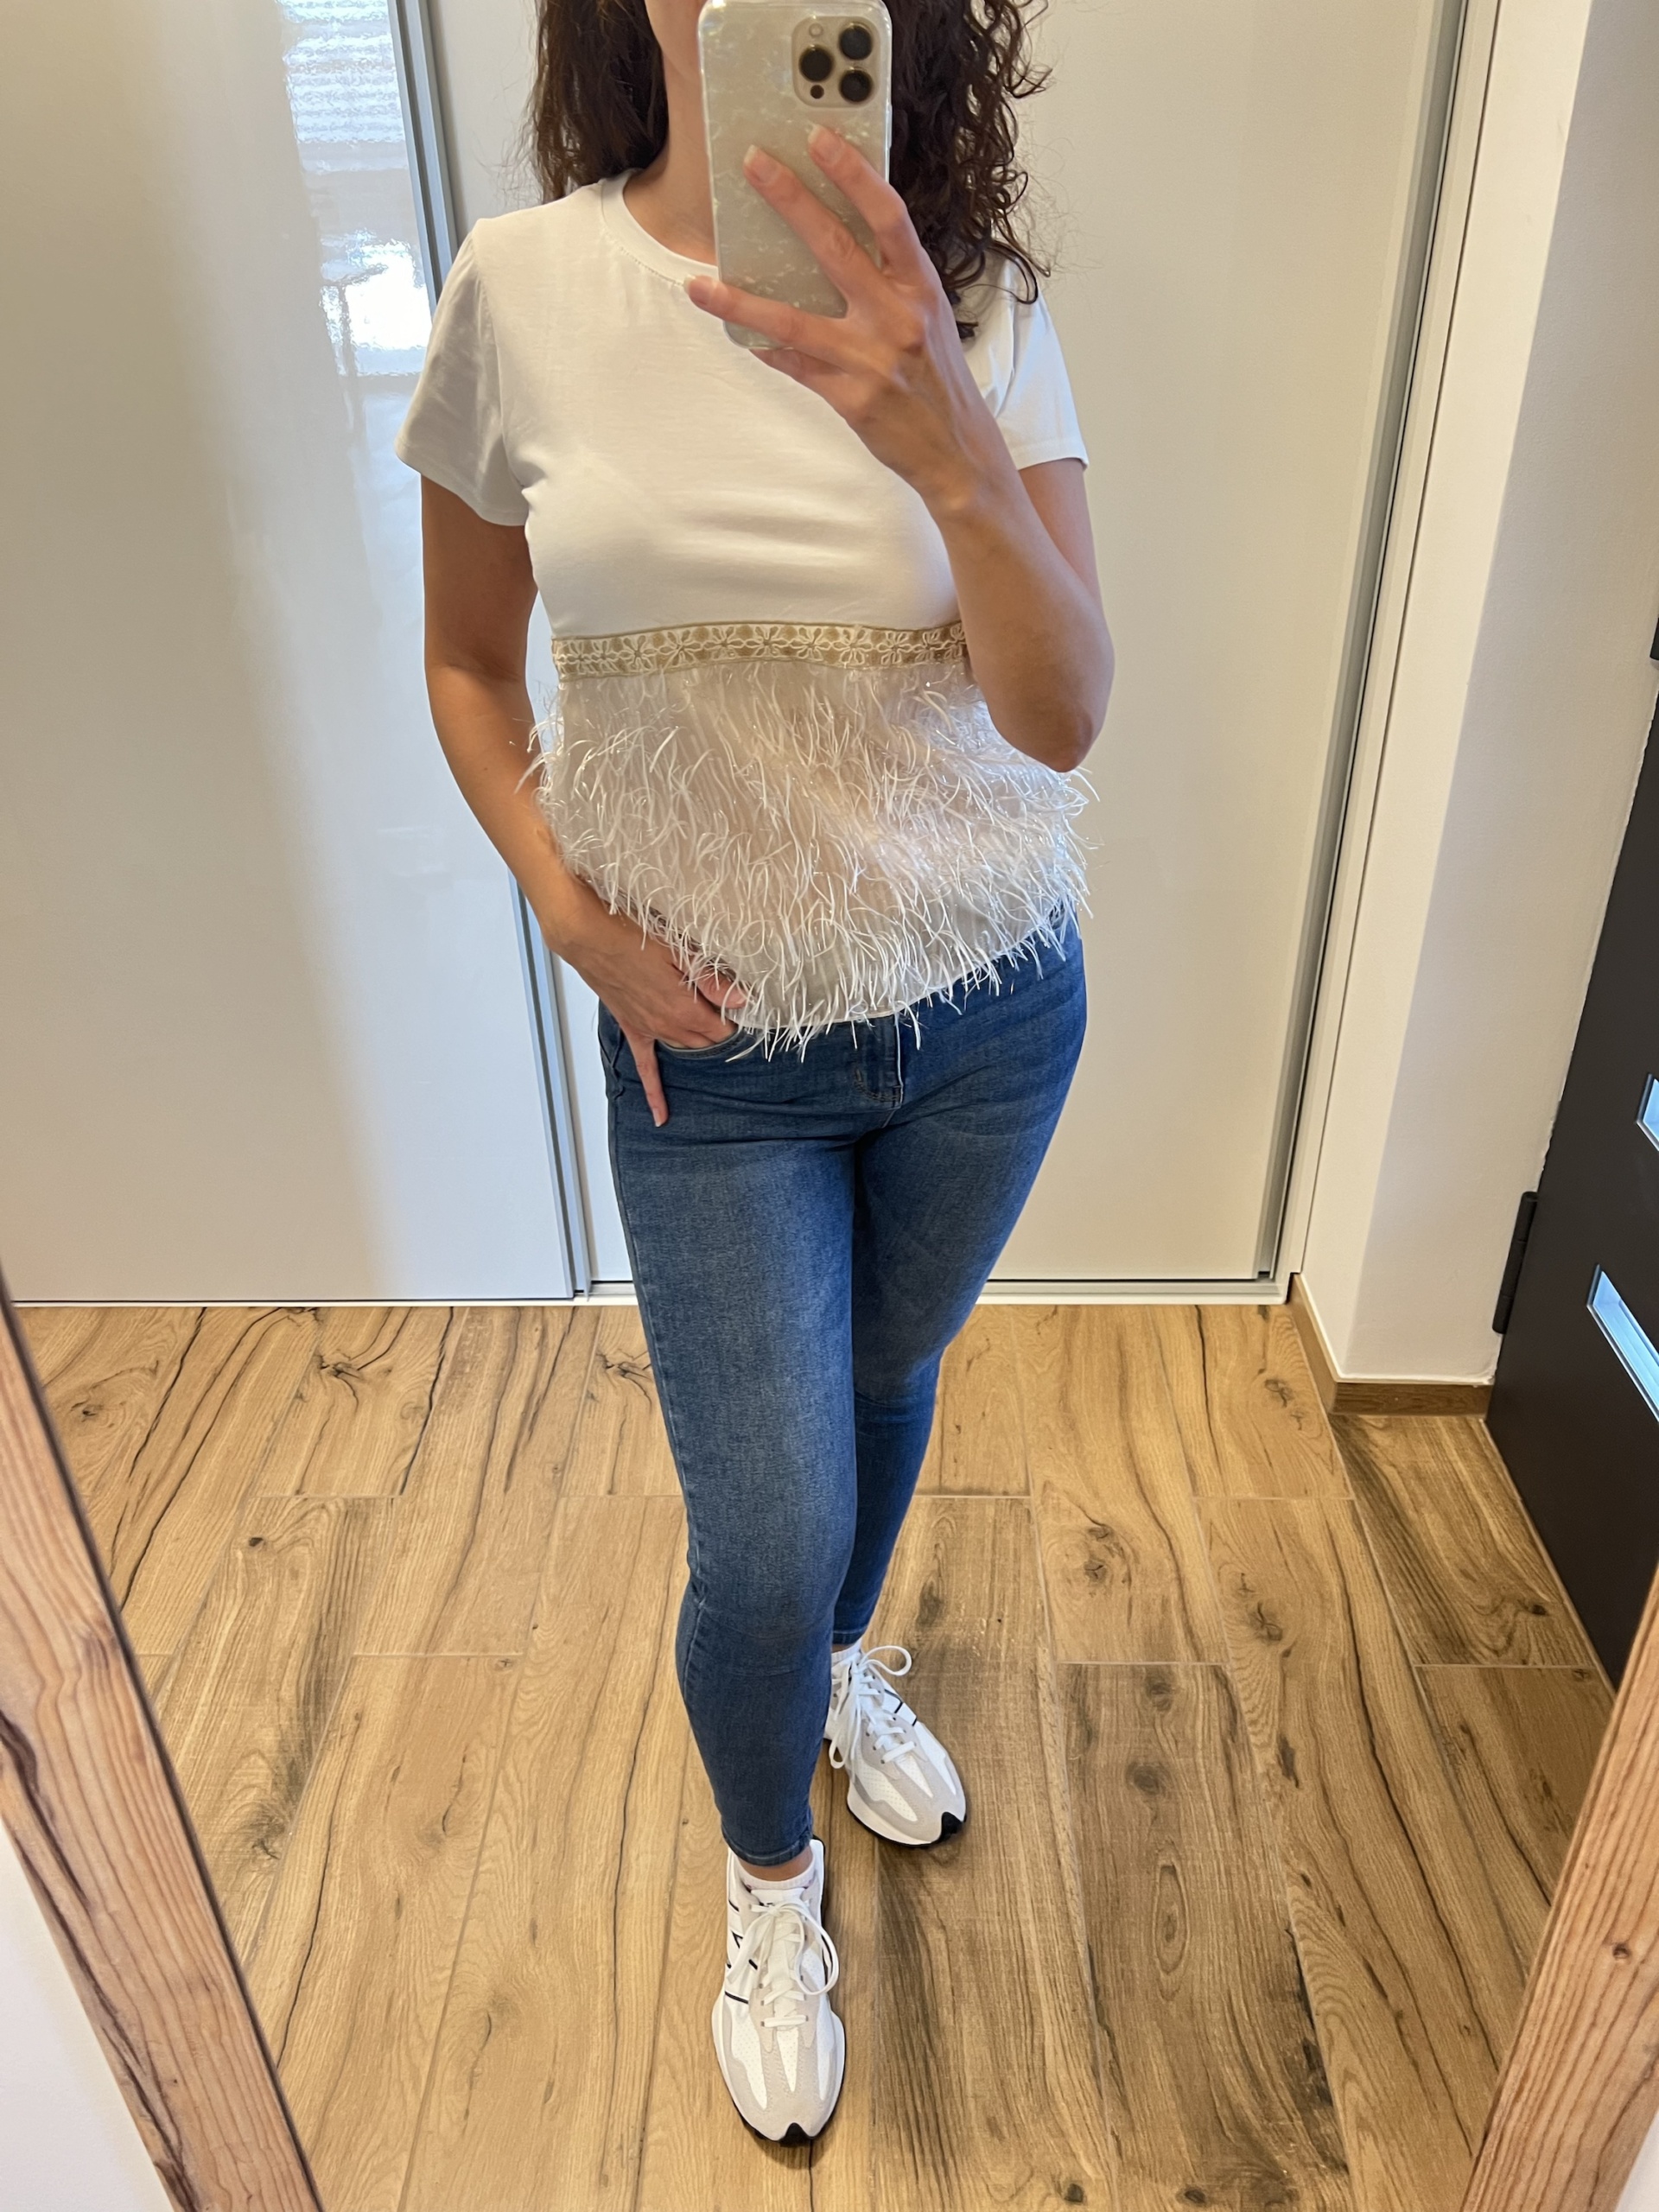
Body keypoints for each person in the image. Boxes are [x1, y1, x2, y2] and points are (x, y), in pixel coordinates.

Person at [395, 0, 1112, 2146]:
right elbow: (465, 659)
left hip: (987, 1009)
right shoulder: (524, 289)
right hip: (709, 1052)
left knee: (886, 1385)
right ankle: (769, 1880)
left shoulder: (976, 300)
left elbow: (1065, 709)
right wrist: (568, 907)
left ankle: (841, 1667)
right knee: (769, 1519)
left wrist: (947, 435)